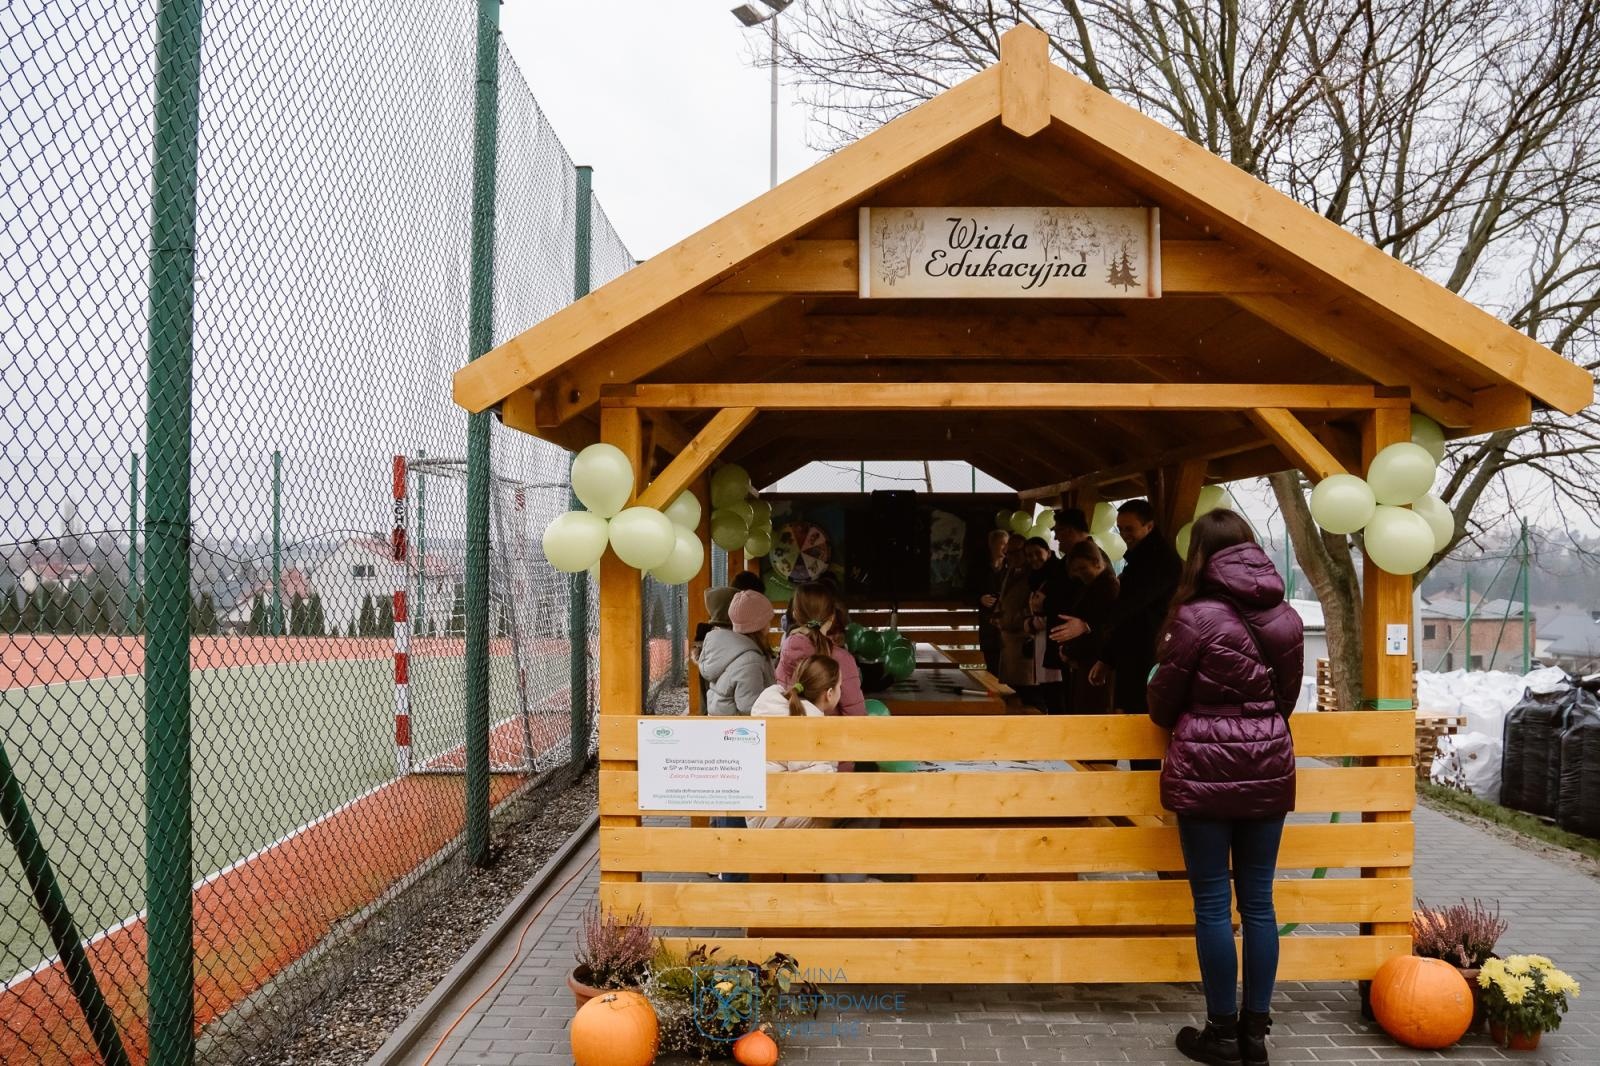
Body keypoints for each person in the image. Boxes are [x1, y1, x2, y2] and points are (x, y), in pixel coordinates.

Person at [1146, 509, 1303, 1066]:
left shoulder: (1195, 616)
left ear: (1200, 556)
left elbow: (1163, 701)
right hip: (1267, 762)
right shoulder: (1286, 616)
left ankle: (1219, 1032)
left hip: (1205, 767)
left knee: (1213, 904)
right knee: (1258, 903)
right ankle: (1256, 1034)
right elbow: (1287, 697)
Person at [1094, 499, 1182, 766]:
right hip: (1135, 652)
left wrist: (1090, 626)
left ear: (1149, 526)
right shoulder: (1141, 559)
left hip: (1149, 655)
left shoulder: (1160, 561)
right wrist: (1107, 657)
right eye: (1120, 529)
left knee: (1144, 729)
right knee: (1136, 728)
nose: (1124, 535)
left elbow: (1129, 608)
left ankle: (1144, 794)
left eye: (1130, 529)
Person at [747, 654, 840, 830]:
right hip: (781, 821)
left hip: (760, 816)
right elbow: (819, 789)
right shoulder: (813, 727)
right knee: (863, 814)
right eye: (839, 686)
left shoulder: (775, 708)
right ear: (829, 694)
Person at [1049, 540, 1120, 713]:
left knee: (1091, 712)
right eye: (1076, 571)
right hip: (1083, 662)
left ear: (1096, 562)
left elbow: (1102, 628)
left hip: (1094, 663)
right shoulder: (1091, 586)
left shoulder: (1107, 587)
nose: (1080, 574)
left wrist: (1070, 650)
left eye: (1082, 568)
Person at [700, 591, 776, 717]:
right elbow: (750, 707)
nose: (769, 625)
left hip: (721, 724)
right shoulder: (750, 662)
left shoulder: (729, 649)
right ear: (759, 625)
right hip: (737, 732)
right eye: (768, 620)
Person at [1021, 537, 1067, 714]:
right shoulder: (1034, 578)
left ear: (1048, 552)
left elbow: (1057, 607)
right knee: (1047, 692)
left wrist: (1035, 622)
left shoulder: (1057, 575)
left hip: (1053, 638)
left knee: (1056, 693)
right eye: (1029, 555)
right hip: (1039, 639)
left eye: (1037, 553)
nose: (1033, 558)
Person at [976, 528, 1011, 673]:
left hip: (1008, 622)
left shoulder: (1012, 566)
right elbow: (966, 591)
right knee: (992, 664)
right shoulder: (980, 568)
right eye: (1002, 543)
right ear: (992, 545)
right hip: (988, 621)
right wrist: (980, 598)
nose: (1005, 547)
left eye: (1007, 544)